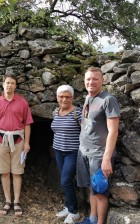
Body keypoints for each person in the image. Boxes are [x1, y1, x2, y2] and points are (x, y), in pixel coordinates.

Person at [76, 67, 120, 224]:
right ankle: (92, 219)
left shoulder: (108, 100)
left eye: (95, 79)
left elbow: (113, 131)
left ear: (102, 80)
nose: (91, 82)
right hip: (84, 152)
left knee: (100, 192)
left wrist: (106, 159)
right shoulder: (88, 98)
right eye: (88, 79)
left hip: (99, 155)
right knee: (90, 188)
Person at [0, 73, 33, 216]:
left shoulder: (22, 102)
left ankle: (17, 202)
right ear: (3, 84)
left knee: (17, 172)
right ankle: (7, 201)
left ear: (15, 85)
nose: (10, 85)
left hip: (18, 142)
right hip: (1, 141)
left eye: (12, 83)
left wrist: (27, 142)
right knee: (4, 172)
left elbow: (27, 124)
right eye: (7, 82)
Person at [51, 85, 82, 223]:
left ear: (72, 98)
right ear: (57, 98)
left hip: (72, 152)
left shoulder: (78, 113)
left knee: (65, 181)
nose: (64, 99)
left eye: (67, 97)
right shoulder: (56, 112)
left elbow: (87, 132)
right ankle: (68, 206)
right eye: (61, 96)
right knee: (66, 181)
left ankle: (74, 211)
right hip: (58, 151)